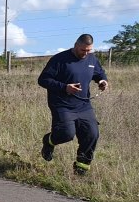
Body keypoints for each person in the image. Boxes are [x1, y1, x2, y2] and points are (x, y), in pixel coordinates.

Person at [37, 34, 108, 175]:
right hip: (62, 105)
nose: (86, 53)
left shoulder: (92, 59)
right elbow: (43, 80)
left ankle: (81, 168)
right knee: (66, 134)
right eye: (83, 50)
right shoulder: (59, 59)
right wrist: (65, 87)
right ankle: (49, 141)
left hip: (83, 105)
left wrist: (102, 81)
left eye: (89, 50)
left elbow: (99, 73)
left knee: (92, 134)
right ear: (76, 45)